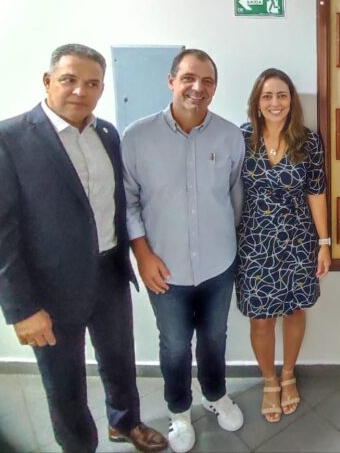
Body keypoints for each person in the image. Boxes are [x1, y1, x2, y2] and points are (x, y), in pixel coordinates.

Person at [0, 44, 167, 453]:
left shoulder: (107, 134)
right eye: (69, 80)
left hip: (109, 274)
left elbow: (117, 203)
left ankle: (126, 423)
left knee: (120, 359)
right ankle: (79, 445)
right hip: (50, 289)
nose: (81, 90)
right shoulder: (4, 140)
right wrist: (21, 309)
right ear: (48, 82)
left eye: (92, 83)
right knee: (63, 379)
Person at [122, 49, 244, 452]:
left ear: (215, 87)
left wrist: (231, 245)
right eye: (189, 78)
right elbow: (129, 202)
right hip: (165, 268)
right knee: (175, 344)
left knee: (214, 338)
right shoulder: (137, 137)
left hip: (218, 264)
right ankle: (178, 412)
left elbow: (235, 197)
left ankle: (215, 395)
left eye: (208, 81)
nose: (198, 87)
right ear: (171, 81)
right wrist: (142, 255)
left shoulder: (229, 136)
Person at [237, 68, 330, 424]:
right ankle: (269, 381)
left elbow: (316, 191)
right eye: (267, 96)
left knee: (294, 311)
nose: (275, 103)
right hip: (254, 242)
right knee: (261, 320)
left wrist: (324, 243)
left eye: (282, 95)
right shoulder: (240, 138)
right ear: (257, 104)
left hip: (297, 241)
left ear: (291, 101)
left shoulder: (308, 141)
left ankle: (288, 373)